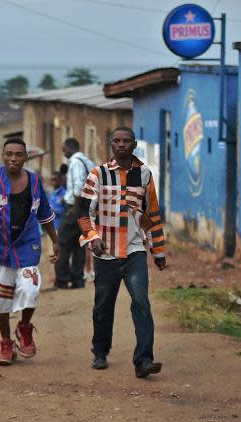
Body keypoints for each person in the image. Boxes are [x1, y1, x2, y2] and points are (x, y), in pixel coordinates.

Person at [78, 126, 167, 378]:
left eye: (126, 140)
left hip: (135, 251)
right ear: (110, 144)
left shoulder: (145, 174)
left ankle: (144, 361)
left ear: (134, 144)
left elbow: (152, 215)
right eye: (116, 140)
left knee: (141, 302)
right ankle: (100, 351)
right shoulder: (98, 174)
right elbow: (84, 213)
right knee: (103, 306)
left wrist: (158, 251)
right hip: (106, 252)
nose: (121, 144)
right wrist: (93, 238)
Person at [0, 138, 59, 366]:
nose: (14, 159)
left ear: (26, 158)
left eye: (19, 155)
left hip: (27, 244)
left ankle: (24, 328)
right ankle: (5, 342)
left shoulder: (35, 183)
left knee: (30, 290)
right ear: (2, 156)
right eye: (9, 154)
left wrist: (55, 242)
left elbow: (45, 215)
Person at [55, 138, 95, 289]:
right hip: (85, 207)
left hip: (75, 207)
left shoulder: (76, 162)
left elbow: (79, 185)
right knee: (79, 244)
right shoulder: (88, 161)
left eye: (64, 149)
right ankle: (78, 280)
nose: (63, 152)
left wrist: (75, 209)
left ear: (71, 147)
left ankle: (62, 280)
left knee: (62, 243)